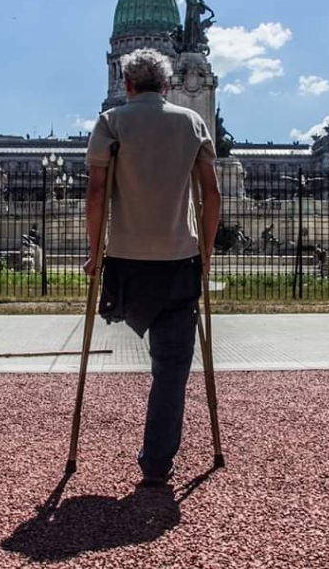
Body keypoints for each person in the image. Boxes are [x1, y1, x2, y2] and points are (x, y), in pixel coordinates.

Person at [85, 47, 220, 486]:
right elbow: (211, 194)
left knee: (146, 345)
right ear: (168, 84)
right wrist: (208, 249)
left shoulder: (111, 122)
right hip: (178, 259)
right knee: (173, 368)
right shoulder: (192, 122)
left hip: (124, 263)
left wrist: (94, 251)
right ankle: (157, 460)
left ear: (125, 83)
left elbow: (95, 193)